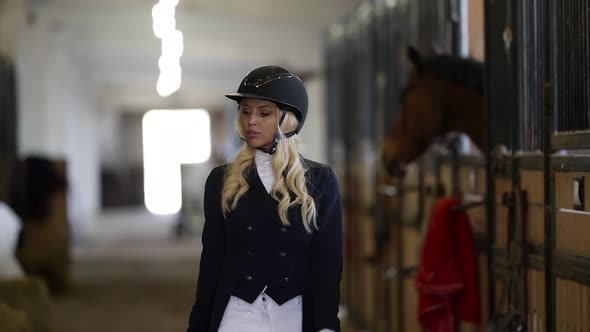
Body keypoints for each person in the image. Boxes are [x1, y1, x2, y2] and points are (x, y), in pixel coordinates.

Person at [186, 66, 343, 332]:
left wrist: (327, 326)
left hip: (294, 314)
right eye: (245, 111)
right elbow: (212, 259)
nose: (251, 121)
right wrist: (198, 326)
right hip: (236, 314)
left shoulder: (320, 181)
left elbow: (327, 264)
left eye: (264, 113)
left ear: (288, 119)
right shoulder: (221, 180)